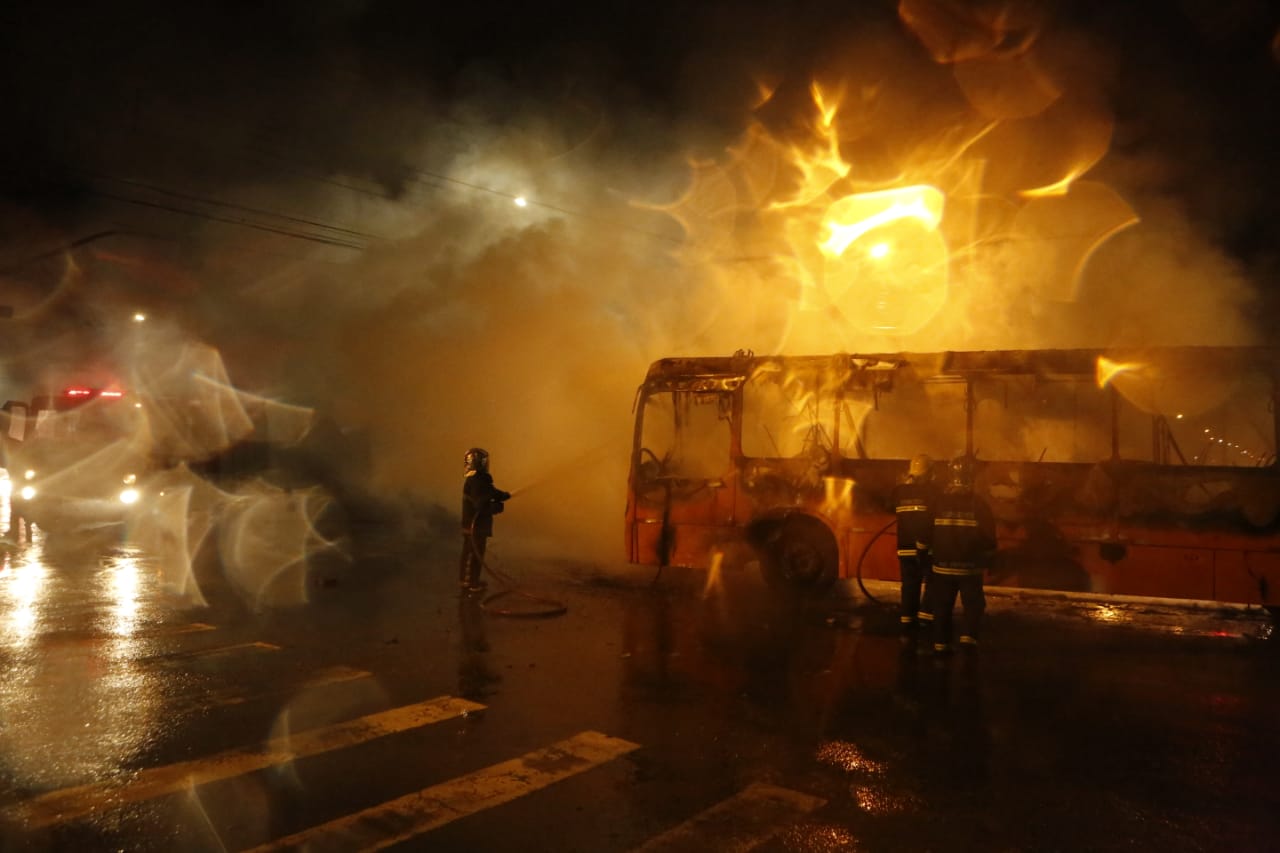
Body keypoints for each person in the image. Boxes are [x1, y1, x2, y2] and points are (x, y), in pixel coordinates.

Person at [929, 455, 997, 655]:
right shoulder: (980, 505)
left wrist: (927, 555)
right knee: (973, 604)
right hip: (970, 568)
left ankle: (940, 645)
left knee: (942, 605)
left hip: (941, 566)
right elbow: (988, 538)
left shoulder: (938, 502)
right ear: (972, 477)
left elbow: (926, 531)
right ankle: (968, 641)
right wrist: (988, 560)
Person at [892, 453, 935, 640]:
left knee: (909, 585)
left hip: (904, 548)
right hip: (925, 548)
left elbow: (889, 506)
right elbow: (930, 519)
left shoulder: (899, 491)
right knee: (933, 582)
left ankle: (907, 621)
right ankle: (926, 619)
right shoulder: (932, 492)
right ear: (929, 473)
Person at [459, 447, 511, 593]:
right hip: (473, 526)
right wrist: (496, 507)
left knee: (476, 554)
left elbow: (490, 492)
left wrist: (503, 495)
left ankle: (472, 580)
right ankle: (468, 583)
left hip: (477, 527)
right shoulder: (476, 481)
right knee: (472, 554)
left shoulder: (480, 479)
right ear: (479, 462)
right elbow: (480, 505)